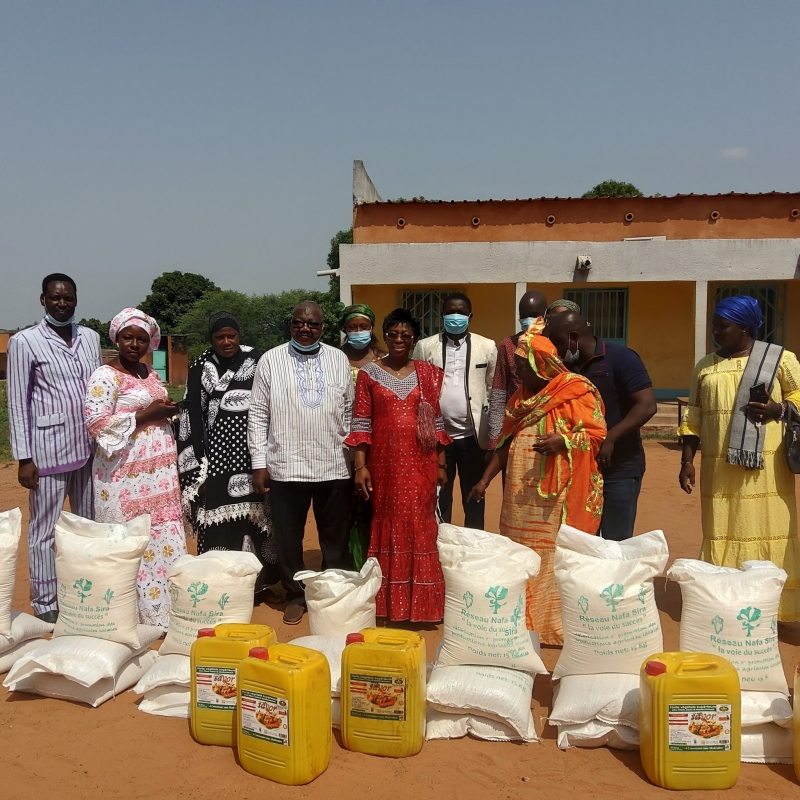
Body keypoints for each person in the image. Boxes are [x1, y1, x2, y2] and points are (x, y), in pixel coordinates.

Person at [467, 321, 606, 645]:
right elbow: (505, 443)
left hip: (555, 500)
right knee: (520, 556)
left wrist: (564, 441)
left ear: (540, 365)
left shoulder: (575, 390)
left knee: (550, 557)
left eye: (521, 367)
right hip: (520, 499)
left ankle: (551, 627)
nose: (517, 373)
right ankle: (522, 621)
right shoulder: (522, 397)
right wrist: (484, 481)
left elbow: (596, 435)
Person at [678, 295, 800, 621]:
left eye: (722, 326)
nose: (715, 332)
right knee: (723, 525)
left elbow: (799, 394)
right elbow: (694, 415)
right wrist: (687, 461)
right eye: (714, 326)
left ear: (744, 328)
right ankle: (725, 604)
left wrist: (779, 409)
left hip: (767, 471)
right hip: (719, 468)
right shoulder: (706, 366)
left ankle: (772, 609)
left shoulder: (779, 359)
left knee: (768, 526)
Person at [248, 301, 354, 625]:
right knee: (288, 535)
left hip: (333, 462)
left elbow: (349, 410)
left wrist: (354, 459)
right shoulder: (270, 360)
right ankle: (295, 593)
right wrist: (259, 463)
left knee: (334, 534)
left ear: (323, 328)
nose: (305, 328)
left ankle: (330, 590)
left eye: (313, 324)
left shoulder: (338, 359)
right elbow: (258, 414)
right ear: (290, 324)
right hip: (286, 464)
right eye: (299, 323)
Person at [6, 274, 102, 623]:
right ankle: (46, 603)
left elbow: (100, 389)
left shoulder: (90, 338)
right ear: (43, 300)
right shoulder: (25, 342)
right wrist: (24, 457)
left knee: (87, 525)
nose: (62, 303)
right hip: (47, 452)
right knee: (44, 530)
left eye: (68, 298)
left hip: (88, 449)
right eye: (55, 297)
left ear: (76, 300)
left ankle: (85, 595)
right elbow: (17, 401)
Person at [346, 308, 450, 622]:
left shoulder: (429, 373)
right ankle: (389, 605)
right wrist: (360, 466)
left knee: (421, 523)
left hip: (421, 463)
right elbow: (361, 421)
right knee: (388, 521)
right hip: (385, 464)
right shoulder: (369, 374)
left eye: (406, 335)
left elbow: (436, 420)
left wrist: (441, 464)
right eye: (393, 334)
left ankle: (423, 606)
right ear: (385, 336)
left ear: (415, 338)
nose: (399, 340)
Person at [84, 308, 186, 630]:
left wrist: (165, 411)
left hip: (160, 474)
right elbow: (97, 424)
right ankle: (131, 617)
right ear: (116, 338)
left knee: (162, 535)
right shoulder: (105, 376)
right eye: (128, 337)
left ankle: (165, 613)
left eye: (142, 339)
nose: (134, 344)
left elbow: (155, 405)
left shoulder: (149, 372)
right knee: (131, 539)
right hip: (124, 474)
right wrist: (147, 414)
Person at [177, 312, 279, 601]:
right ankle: (221, 587)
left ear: (239, 335)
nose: (226, 341)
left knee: (258, 521)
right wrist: (197, 469)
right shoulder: (200, 367)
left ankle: (261, 586)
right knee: (219, 524)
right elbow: (191, 415)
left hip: (254, 457)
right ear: (211, 339)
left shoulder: (258, 362)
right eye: (219, 337)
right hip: (216, 461)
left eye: (231, 336)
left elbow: (273, 406)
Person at [546, 310, 656, 541]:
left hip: (620, 467)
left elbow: (646, 406)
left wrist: (611, 437)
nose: (556, 351)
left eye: (558, 343)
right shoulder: (566, 369)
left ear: (573, 337)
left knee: (616, 540)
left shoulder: (622, 358)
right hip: (581, 470)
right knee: (583, 541)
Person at [412, 292, 496, 529]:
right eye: (450, 312)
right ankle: (441, 541)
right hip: (439, 439)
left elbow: (492, 389)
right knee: (440, 497)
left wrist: (492, 437)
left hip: (473, 438)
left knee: (474, 496)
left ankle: (474, 542)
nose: (455, 317)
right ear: (442, 315)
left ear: (470, 316)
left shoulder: (487, 346)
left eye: (461, 312)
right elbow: (417, 388)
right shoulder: (425, 347)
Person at [339, 303, 383, 568]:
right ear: (345, 330)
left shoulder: (383, 360)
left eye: (363, 327)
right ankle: (348, 561)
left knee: (373, 499)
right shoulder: (334, 359)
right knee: (345, 503)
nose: (358, 332)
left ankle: (374, 557)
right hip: (342, 442)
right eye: (353, 327)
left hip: (377, 441)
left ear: (372, 327)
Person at [487, 290, 548, 449]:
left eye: (534, 315)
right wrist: (494, 438)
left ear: (545, 316)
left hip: (547, 425)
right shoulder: (508, 345)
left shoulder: (552, 345)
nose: (529, 320)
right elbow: (499, 392)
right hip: (515, 427)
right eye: (524, 316)